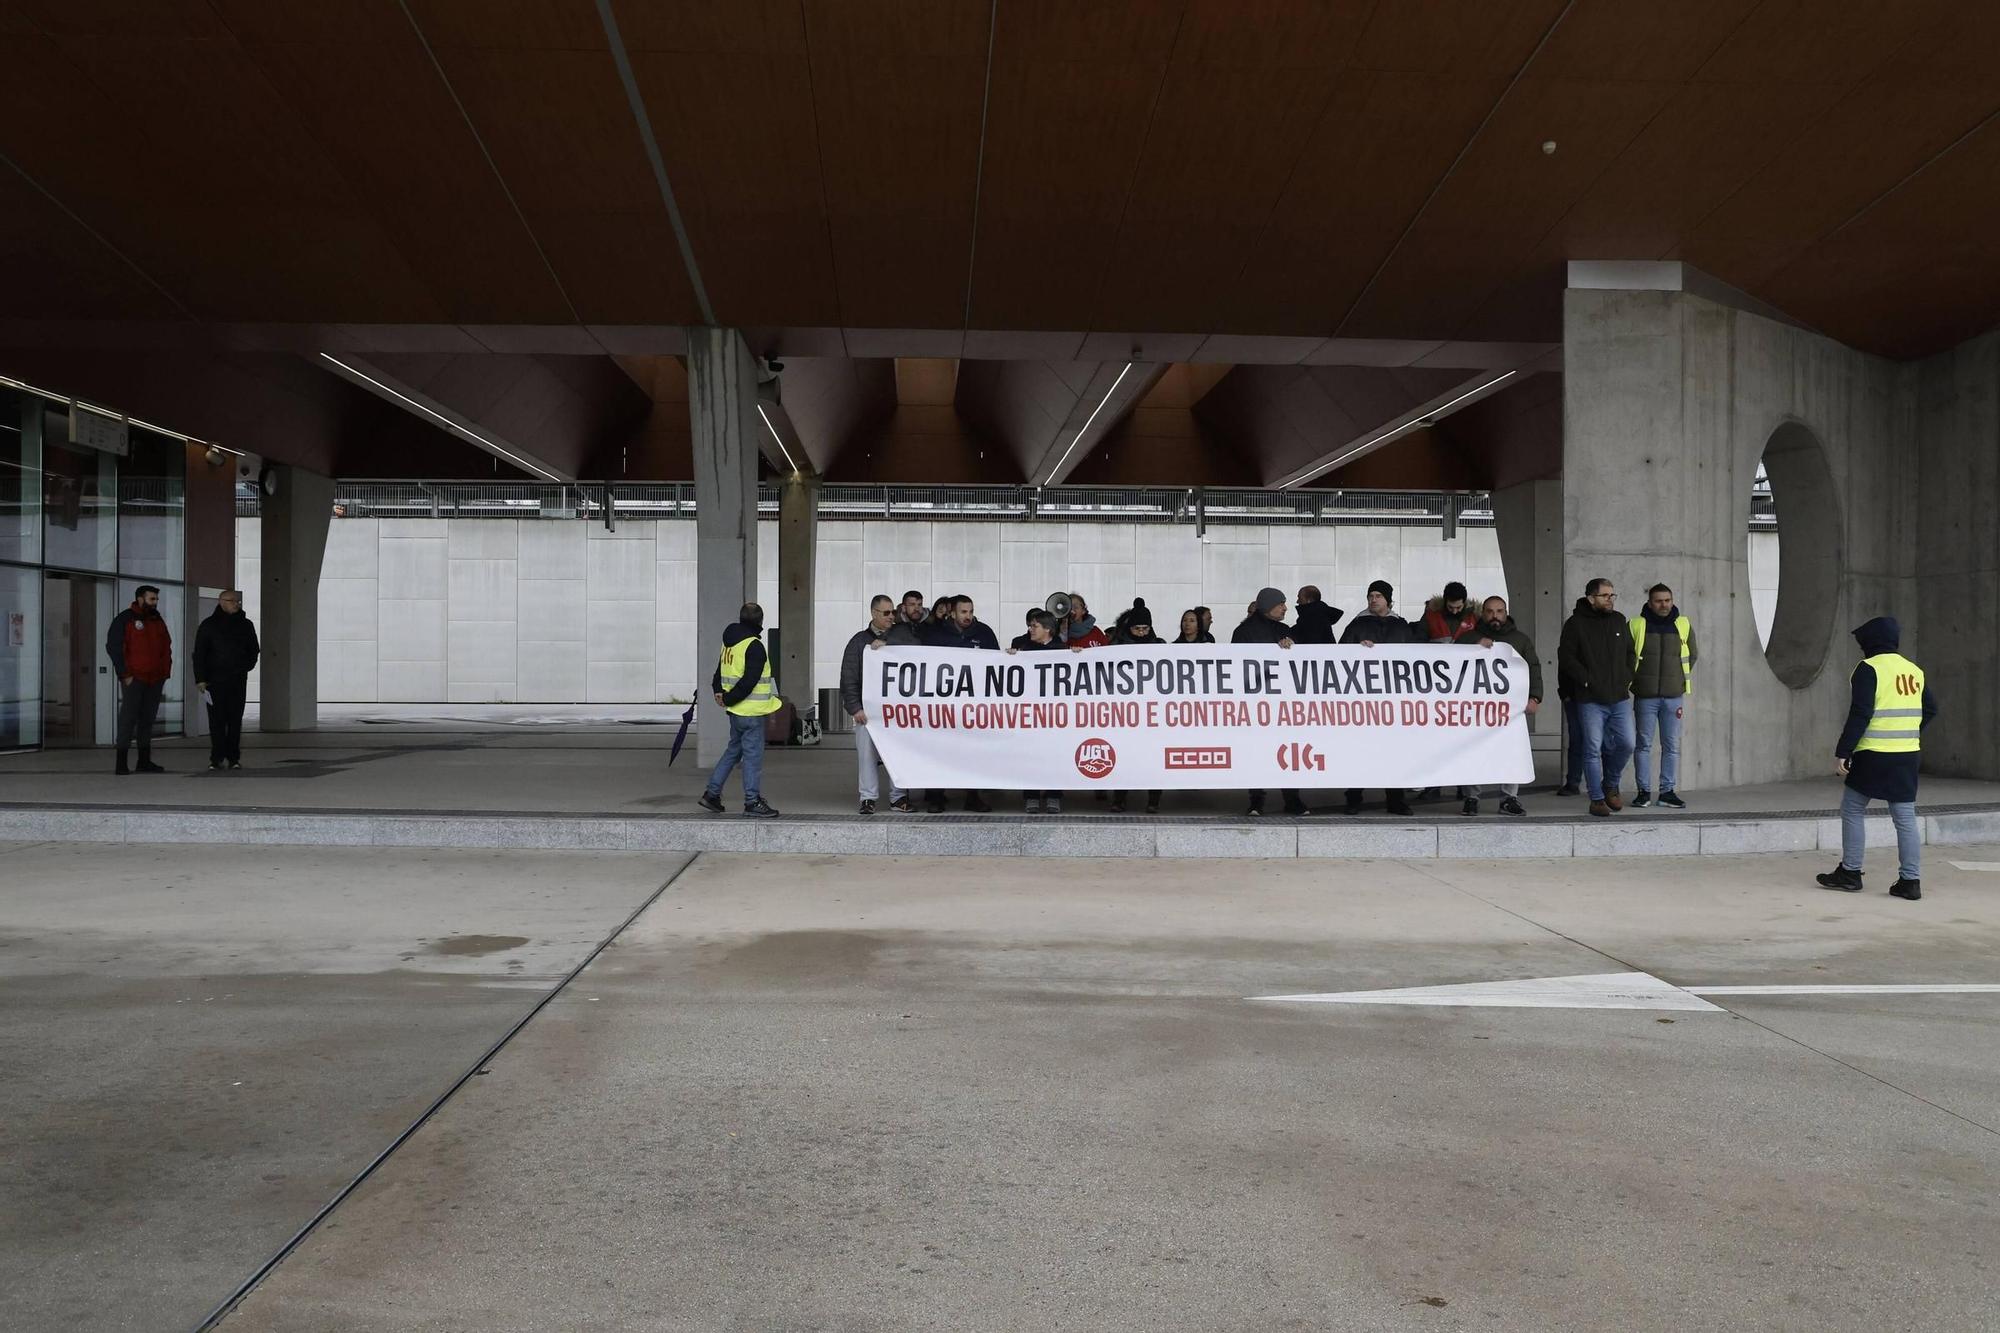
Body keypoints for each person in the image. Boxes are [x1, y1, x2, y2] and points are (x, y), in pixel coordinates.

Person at [1818, 617, 1936, 901]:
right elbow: (1930, 708)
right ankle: (1910, 881)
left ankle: (1850, 872)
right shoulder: (1913, 670)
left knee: (1853, 808)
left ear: (1870, 643)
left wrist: (1844, 751)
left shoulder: (1868, 669)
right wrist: (1908, 731)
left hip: (1874, 753)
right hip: (1907, 753)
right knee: (1905, 817)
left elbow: (1861, 713)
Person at [1454, 596, 1540, 816]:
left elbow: (1533, 668)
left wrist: (1535, 697)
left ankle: (1509, 798)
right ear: (1483, 613)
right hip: (1476, 708)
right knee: (1473, 751)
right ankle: (1472, 797)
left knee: (1512, 750)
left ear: (1506, 612)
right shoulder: (1469, 637)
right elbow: (1451, 661)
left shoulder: (1520, 640)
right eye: (1490, 611)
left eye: (1499, 611)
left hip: (1510, 709)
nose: (1495, 616)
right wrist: (1475, 647)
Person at [1558, 578, 1635, 818]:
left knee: (1627, 744)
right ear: (1591, 598)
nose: (1610, 599)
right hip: (1590, 699)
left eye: (1613, 595)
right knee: (1592, 749)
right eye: (1605, 596)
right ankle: (1597, 799)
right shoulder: (1575, 624)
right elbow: (1567, 657)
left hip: (1619, 697)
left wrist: (1626, 677)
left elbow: (1630, 653)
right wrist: (1586, 680)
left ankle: (1610, 784)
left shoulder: (1619, 620)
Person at [697, 601, 781, 818]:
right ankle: (752, 801)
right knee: (752, 758)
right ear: (760, 621)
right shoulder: (754, 646)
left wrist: (721, 694)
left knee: (733, 751)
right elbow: (749, 681)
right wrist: (730, 699)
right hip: (751, 712)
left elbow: (719, 672)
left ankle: (712, 794)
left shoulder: (730, 643)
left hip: (735, 713)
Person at [1339, 580, 1413, 816]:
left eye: (1378, 596)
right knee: (1359, 751)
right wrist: (1356, 650)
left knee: (1395, 752)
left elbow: (1414, 658)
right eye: (1370, 595)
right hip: (1363, 700)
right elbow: (1339, 654)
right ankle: (1353, 798)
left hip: (1393, 701)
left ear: (1388, 600)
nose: (1373, 599)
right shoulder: (1357, 625)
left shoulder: (1401, 626)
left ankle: (1396, 799)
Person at [1234, 587, 1309, 817]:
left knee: (1288, 750)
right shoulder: (1244, 633)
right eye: (1281, 604)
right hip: (1256, 703)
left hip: (1282, 703)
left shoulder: (1285, 631)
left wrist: (1291, 647)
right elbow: (1237, 666)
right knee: (1257, 751)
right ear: (1268, 605)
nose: (1286, 608)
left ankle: (1292, 799)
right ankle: (1256, 800)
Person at [921, 596, 996, 812]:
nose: (968, 616)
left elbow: (997, 664)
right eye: (963, 612)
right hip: (942, 704)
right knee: (939, 750)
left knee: (972, 751)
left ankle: (973, 796)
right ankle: (936, 797)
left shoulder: (984, 632)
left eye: (970, 611)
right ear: (952, 612)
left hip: (973, 704)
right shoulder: (935, 634)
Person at [843, 595, 916, 815]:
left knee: (899, 754)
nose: (891, 616)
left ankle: (898, 797)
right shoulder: (858, 642)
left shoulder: (901, 635)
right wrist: (855, 708)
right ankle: (868, 798)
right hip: (869, 712)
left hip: (897, 711)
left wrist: (889, 644)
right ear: (874, 614)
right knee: (866, 756)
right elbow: (849, 676)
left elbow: (918, 651)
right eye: (886, 613)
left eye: (893, 612)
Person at [1629, 583, 1697, 809]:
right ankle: (1644, 792)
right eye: (1658, 600)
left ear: (1672, 600)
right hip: (1645, 696)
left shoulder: (1683, 625)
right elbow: (1627, 657)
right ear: (1650, 602)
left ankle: (1667, 792)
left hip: (1673, 696)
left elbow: (1692, 655)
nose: (1664, 604)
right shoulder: (1637, 625)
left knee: (1671, 746)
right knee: (1643, 745)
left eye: (1667, 600)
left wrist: (1675, 679)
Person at [107, 584, 173, 775]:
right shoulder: (125, 619)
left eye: (156, 599)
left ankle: (144, 761)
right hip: (134, 678)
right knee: (128, 719)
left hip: (155, 679)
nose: (155, 603)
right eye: (152, 599)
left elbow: (166, 646)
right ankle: (121, 763)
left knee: (147, 720)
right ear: (140, 599)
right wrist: (124, 674)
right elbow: (114, 647)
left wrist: (164, 672)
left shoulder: (157, 620)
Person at [191, 589, 259, 771]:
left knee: (235, 720)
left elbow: (254, 650)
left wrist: (246, 666)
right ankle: (217, 757)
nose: (236, 604)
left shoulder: (246, 625)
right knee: (216, 721)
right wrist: (200, 679)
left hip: (237, 680)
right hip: (214, 681)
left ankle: (234, 757)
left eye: (237, 601)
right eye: (232, 601)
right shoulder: (208, 625)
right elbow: (199, 654)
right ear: (221, 602)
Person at [1108, 602, 1165, 815]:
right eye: (1137, 629)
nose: (1141, 633)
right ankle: (1119, 798)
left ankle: (1154, 801)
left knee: (1154, 758)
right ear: (1129, 629)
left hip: (1152, 713)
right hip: (1125, 714)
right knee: (1124, 757)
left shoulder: (1160, 646)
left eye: (1145, 629)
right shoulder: (1115, 648)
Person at [1008, 609, 1065, 812]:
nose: (1030, 629)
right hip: (1030, 713)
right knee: (1029, 754)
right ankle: (1031, 795)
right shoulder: (1024, 649)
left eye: (1035, 626)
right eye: (1030, 625)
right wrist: (1011, 658)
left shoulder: (1063, 650)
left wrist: (1077, 655)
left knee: (1054, 755)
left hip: (1055, 714)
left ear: (1047, 629)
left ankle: (1054, 795)